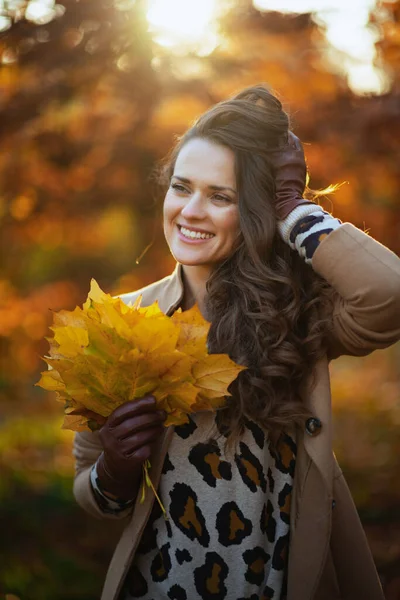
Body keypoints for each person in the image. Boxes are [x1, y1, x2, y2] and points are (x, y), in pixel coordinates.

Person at [72, 84, 400, 600]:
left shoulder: (298, 311)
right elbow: (92, 494)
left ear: (255, 210)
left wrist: (294, 208)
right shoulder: (121, 321)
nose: (191, 211)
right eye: (182, 187)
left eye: (220, 196)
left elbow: (389, 295)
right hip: (163, 586)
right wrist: (112, 471)